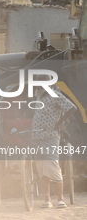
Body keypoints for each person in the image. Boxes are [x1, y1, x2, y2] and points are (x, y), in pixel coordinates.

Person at [32, 74, 77, 209]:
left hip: (50, 135)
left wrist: (59, 123)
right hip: (36, 136)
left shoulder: (55, 94)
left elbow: (72, 108)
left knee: (52, 165)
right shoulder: (39, 95)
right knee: (41, 168)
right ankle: (47, 199)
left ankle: (60, 199)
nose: (37, 85)